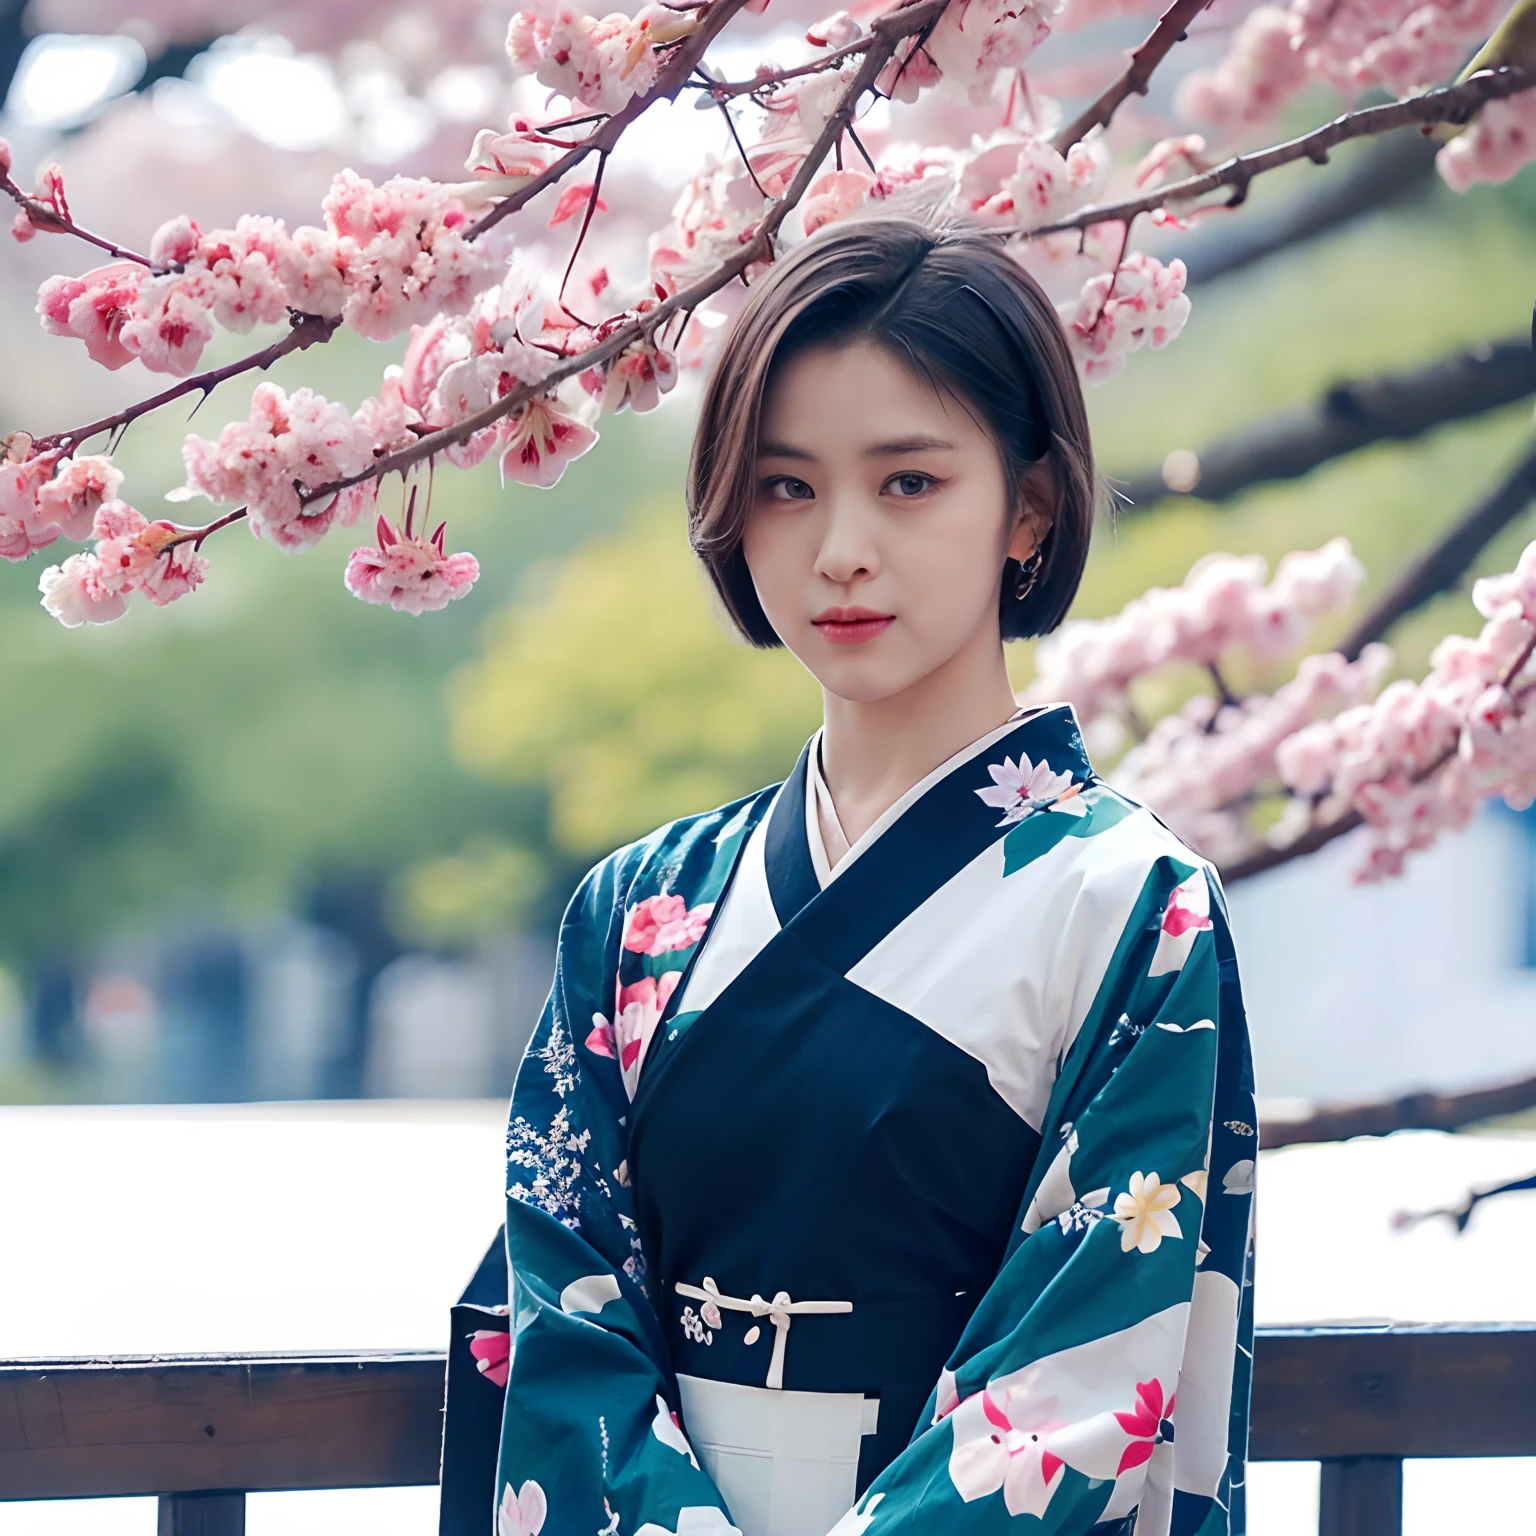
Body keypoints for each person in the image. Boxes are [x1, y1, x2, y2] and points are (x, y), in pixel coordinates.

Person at [438, 215, 1257, 1536]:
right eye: (786, 486)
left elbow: (1086, 1377)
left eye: (910, 482)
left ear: (1029, 507)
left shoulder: (1127, 909)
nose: (841, 549)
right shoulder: (639, 912)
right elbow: (566, 1321)